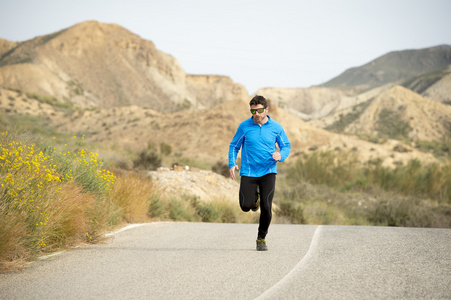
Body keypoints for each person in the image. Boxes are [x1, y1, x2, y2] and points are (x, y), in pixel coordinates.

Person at [228, 95, 291, 251]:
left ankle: (261, 238)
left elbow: (286, 146)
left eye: (259, 110)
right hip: (249, 172)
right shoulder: (244, 126)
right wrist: (232, 163)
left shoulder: (276, 127)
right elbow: (234, 146)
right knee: (245, 206)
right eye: (253, 111)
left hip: (268, 171)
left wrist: (281, 155)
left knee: (267, 207)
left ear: (266, 109)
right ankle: (253, 198)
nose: (256, 114)